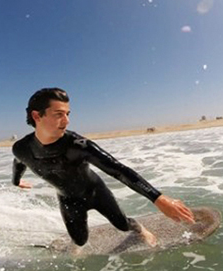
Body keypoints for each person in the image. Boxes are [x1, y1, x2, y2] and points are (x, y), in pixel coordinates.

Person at [12, 88, 195, 252]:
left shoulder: (78, 145)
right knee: (79, 241)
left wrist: (158, 199)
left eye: (68, 114)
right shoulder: (21, 148)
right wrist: (16, 181)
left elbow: (118, 170)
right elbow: (19, 162)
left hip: (95, 192)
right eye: (59, 114)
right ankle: (76, 247)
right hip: (68, 199)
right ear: (37, 116)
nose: (66, 121)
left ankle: (140, 229)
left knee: (122, 225)